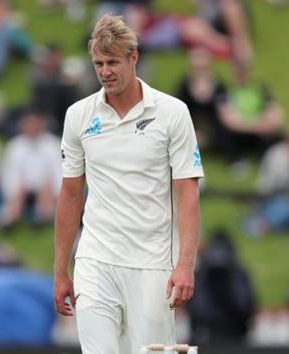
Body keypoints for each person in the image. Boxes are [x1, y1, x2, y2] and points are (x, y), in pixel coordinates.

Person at [53, 14, 204, 353]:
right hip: (95, 260)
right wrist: (61, 270)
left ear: (133, 58)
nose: (105, 71)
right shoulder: (78, 116)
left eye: (113, 62)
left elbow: (187, 192)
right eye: (98, 63)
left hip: (152, 263)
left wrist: (185, 265)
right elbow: (70, 194)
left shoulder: (172, 112)